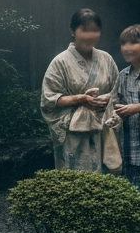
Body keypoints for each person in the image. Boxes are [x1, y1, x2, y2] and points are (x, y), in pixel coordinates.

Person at [40, 9, 119, 171]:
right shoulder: (60, 62)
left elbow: (119, 91)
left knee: (105, 181)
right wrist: (81, 99)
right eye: (85, 30)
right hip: (73, 133)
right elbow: (49, 99)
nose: (90, 35)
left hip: (102, 128)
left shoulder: (106, 59)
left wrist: (107, 99)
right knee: (74, 180)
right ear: (72, 32)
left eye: (95, 30)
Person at [112, 24, 140, 209]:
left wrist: (135, 108)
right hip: (128, 145)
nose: (127, 48)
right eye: (124, 43)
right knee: (131, 196)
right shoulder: (123, 75)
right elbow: (116, 100)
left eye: (133, 43)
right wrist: (117, 111)